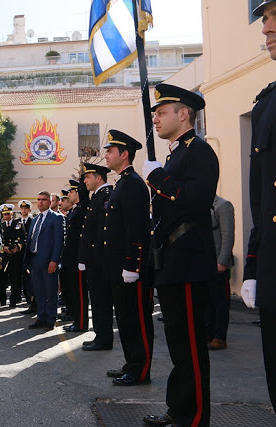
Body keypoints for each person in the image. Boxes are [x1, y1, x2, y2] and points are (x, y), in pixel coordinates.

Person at [141, 84, 219, 426]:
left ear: (183, 113)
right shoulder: (177, 155)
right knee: (177, 342)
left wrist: (157, 177)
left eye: (161, 112)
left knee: (190, 345)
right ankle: (181, 409)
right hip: (172, 259)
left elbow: (196, 200)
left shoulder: (199, 151)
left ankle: (196, 417)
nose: (155, 118)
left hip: (188, 259)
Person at [241, 0, 276, 412]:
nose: (265, 26)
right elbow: (261, 199)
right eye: (264, 16)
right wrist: (252, 267)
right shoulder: (266, 104)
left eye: (272, 14)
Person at [103, 130, 154, 386]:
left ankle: (140, 370)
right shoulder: (121, 183)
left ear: (124, 155)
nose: (105, 155)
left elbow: (137, 229)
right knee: (124, 318)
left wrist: (132, 265)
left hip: (130, 268)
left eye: (110, 151)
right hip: (118, 267)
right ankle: (131, 363)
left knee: (137, 319)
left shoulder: (133, 183)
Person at [78, 163, 114, 351]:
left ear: (98, 178)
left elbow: (102, 231)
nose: (84, 181)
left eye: (87, 177)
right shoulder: (97, 196)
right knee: (98, 300)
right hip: (94, 259)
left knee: (101, 300)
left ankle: (104, 338)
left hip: (99, 260)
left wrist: (95, 257)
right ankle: (101, 335)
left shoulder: (106, 196)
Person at [23, 191, 64, 331]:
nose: (40, 202)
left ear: (50, 202)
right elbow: (30, 241)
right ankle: (40, 318)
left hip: (48, 261)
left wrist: (54, 260)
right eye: (38, 199)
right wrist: (28, 262)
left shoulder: (57, 218)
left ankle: (50, 319)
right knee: (39, 291)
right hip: (35, 260)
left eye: (44, 200)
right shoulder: (35, 219)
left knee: (50, 292)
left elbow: (59, 242)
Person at [62, 179, 90, 333]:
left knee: (79, 292)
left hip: (77, 258)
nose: (69, 194)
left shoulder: (81, 210)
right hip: (70, 258)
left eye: (71, 192)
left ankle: (81, 323)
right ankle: (77, 320)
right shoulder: (74, 210)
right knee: (74, 291)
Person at [207, 195, 234, 350]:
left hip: (218, 262)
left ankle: (219, 337)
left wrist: (222, 261)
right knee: (207, 301)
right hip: (205, 263)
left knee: (220, 302)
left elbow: (228, 235)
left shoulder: (223, 205)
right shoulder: (201, 204)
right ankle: (209, 333)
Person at [0, 204, 26, 308]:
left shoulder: (18, 224)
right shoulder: (1, 225)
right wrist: (3, 248)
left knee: (15, 277)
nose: (6, 216)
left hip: (15, 256)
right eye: (4, 214)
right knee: (3, 278)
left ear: (12, 214)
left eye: (8, 214)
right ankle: (3, 299)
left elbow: (23, 239)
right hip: (4, 255)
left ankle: (15, 298)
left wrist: (17, 247)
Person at [17, 200, 35, 314]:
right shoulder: (16, 222)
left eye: (26, 208)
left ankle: (29, 298)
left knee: (29, 276)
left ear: (29, 210)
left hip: (29, 251)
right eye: (22, 208)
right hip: (18, 252)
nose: (24, 210)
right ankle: (21, 294)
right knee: (19, 275)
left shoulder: (33, 221)